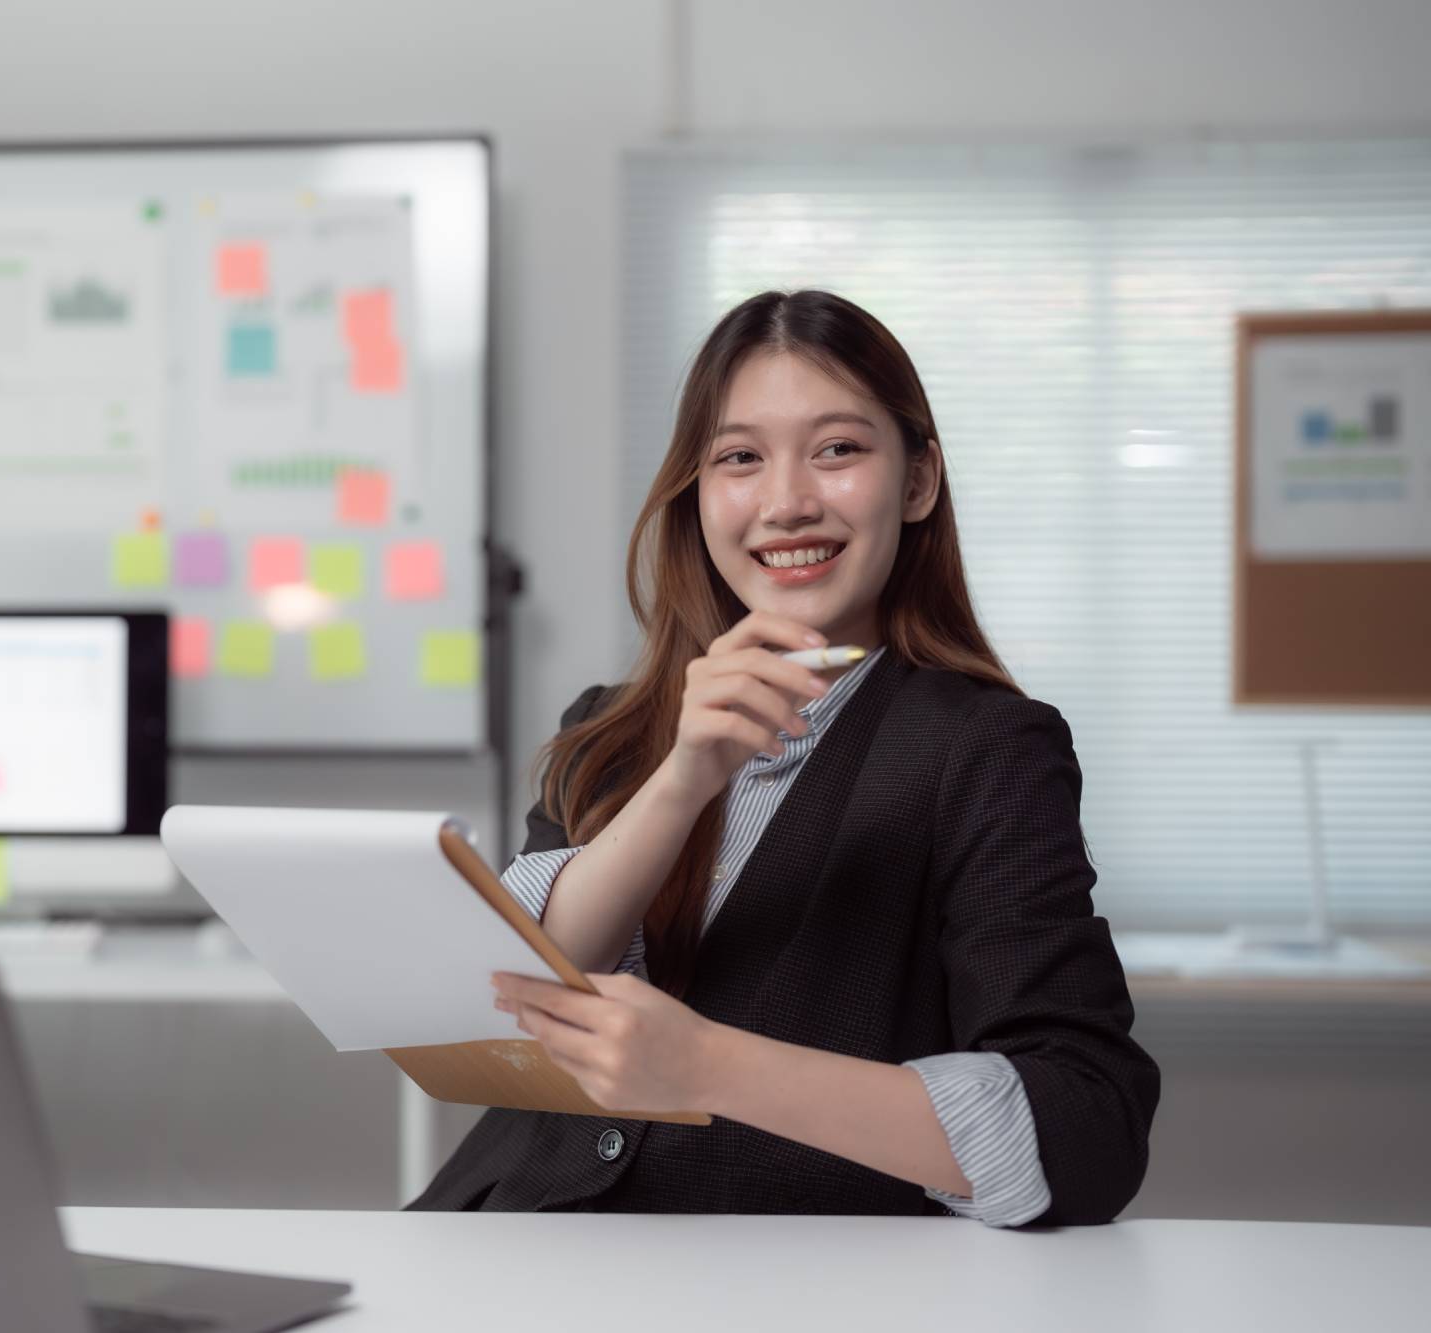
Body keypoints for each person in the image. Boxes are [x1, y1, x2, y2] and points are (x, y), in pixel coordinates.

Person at [408, 289, 1158, 1225]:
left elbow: (1086, 1128)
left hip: (781, 1287)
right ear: (698, 491)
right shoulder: (609, 730)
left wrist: (711, 1066)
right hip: (509, 1246)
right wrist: (682, 779)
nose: (787, 502)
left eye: (839, 449)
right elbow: (509, 990)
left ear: (918, 480)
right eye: (739, 458)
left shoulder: (987, 749)